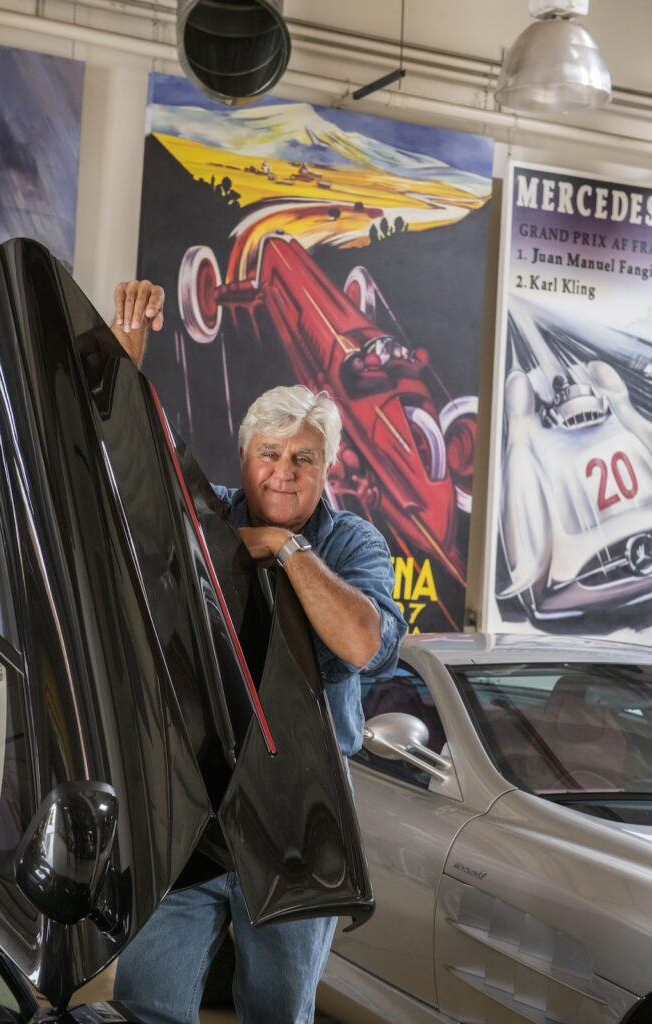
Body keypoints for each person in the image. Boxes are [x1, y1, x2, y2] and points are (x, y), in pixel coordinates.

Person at [108, 279, 407, 1024]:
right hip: (191, 804)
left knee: (278, 1011)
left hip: (298, 816)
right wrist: (123, 362)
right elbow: (119, 486)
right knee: (149, 999)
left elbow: (364, 645)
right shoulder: (200, 517)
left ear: (327, 468)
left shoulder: (350, 542)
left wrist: (284, 547)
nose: (283, 472)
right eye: (269, 453)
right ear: (242, 457)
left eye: (303, 458)